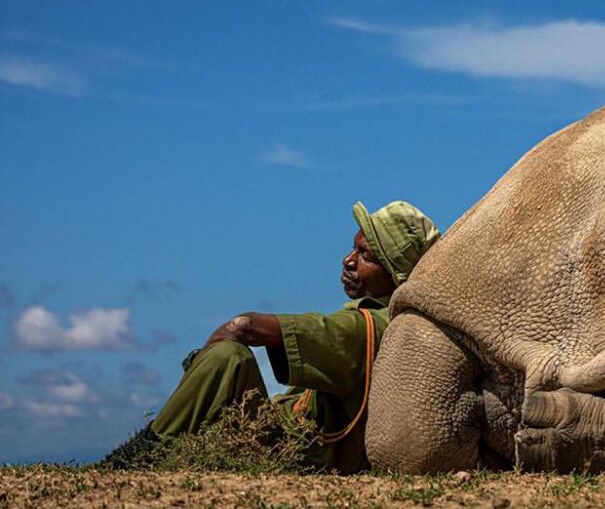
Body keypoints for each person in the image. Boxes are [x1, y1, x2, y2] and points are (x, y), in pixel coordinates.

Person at [101, 200, 440, 473]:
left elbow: (246, 326)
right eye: (353, 249)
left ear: (394, 274)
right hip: (288, 437)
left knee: (228, 358)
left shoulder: (371, 327)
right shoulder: (388, 323)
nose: (348, 260)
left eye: (365, 255)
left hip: (298, 452)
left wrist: (210, 358)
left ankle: (138, 458)